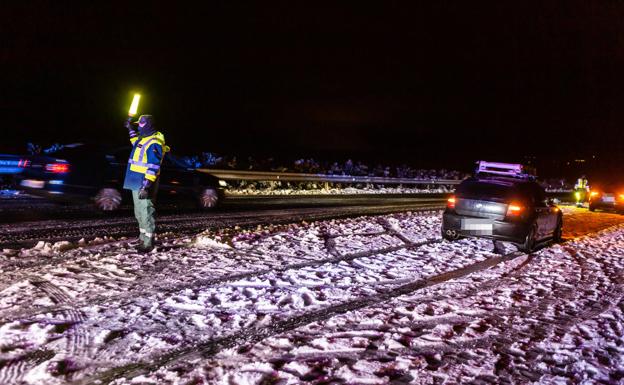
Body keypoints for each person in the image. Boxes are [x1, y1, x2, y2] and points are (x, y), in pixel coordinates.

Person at [123, 115, 168, 252]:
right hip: (136, 181)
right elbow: (134, 141)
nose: (139, 126)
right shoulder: (143, 139)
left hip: (144, 183)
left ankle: (148, 243)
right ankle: (142, 238)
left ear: (148, 124)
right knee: (139, 211)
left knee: (146, 211)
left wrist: (146, 185)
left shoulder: (154, 142)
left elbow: (153, 166)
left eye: (141, 124)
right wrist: (130, 128)